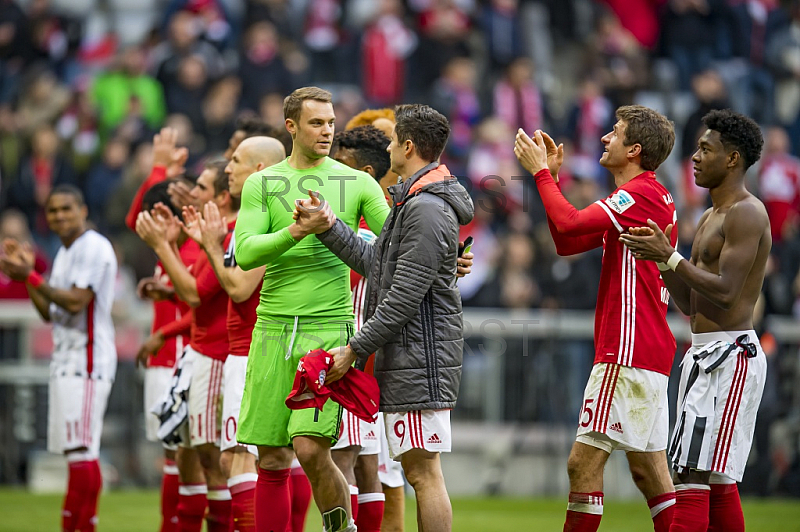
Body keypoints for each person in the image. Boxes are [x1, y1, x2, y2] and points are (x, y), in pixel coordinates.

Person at [295, 103, 475, 532]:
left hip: (421, 356)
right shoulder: (414, 200)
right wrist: (328, 225)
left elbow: (404, 295)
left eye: (394, 140)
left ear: (408, 146)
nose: (389, 147)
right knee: (415, 471)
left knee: (421, 473)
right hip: (412, 356)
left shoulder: (427, 207)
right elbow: (378, 263)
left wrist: (355, 349)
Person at [513, 105, 679, 532]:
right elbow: (568, 241)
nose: (605, 138)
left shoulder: (638, 193)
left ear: (634, 150)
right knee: (650, 473)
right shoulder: (645, 196)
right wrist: (553, 178)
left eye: (615, 132)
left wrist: (541, 175)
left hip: (625, 348)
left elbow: (567, 226)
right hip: (650, 348)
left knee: (581, 464)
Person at [233, 86, 391, 532]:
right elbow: (246, 252)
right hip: (271, 331)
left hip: (327, 332)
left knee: (308, 447)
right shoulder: (262, 183)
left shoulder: (356, 182)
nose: (327, 130)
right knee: (271, 458)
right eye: (316, 123)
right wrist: (298, 232)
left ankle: (342, 528)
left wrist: (447, 253)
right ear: (291, 127)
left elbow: (395, 243)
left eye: (330, 122)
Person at [620, 109, 770, 532]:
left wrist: (671, 257)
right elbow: (689, 302)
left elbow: (726, 290)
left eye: (706, 149)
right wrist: (662, 259)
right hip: (704, 354)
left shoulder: (748, 213)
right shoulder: (708, 217)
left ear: (733, 158)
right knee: (711, 478)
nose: (695, 157)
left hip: (730, 356)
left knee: (690, 474)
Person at [181, 135, 290, 532]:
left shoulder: (269, 214)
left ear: (260, 170)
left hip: (254, 349)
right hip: (244, 350)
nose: (228, 168)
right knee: (241, 459)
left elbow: (241, 288)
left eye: (237, 161)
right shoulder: (254, 214)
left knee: (246, 459)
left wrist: (211, 246)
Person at [0, 185, 117, 532]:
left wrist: (31, 277)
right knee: (76, 453)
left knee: (82, 452)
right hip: (67, 359)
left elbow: (76, 302)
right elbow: (50, 312)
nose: (60, 216)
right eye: (53, 211)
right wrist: (30, 277)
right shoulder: (64, 253)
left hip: (88, 359)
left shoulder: (94, 247)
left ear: (82, 210)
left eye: (66, 208)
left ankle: (82, 526)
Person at [136, 160, 238, 532]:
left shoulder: (228, 237)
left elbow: (195, 296)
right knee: (194, 456)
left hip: (216, 356)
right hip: (201, 354)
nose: (192, 194)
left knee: (217, 461)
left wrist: (163, 246)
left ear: (223, 197)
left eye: (202, 189)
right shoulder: (211, 237)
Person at [134, 179, 200, 532]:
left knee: (186, 455)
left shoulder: (191, 253)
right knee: (174, 454)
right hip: (168, 361)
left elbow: (200, 307)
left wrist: (162, 333)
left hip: (182, 358)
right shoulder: (172, 250)